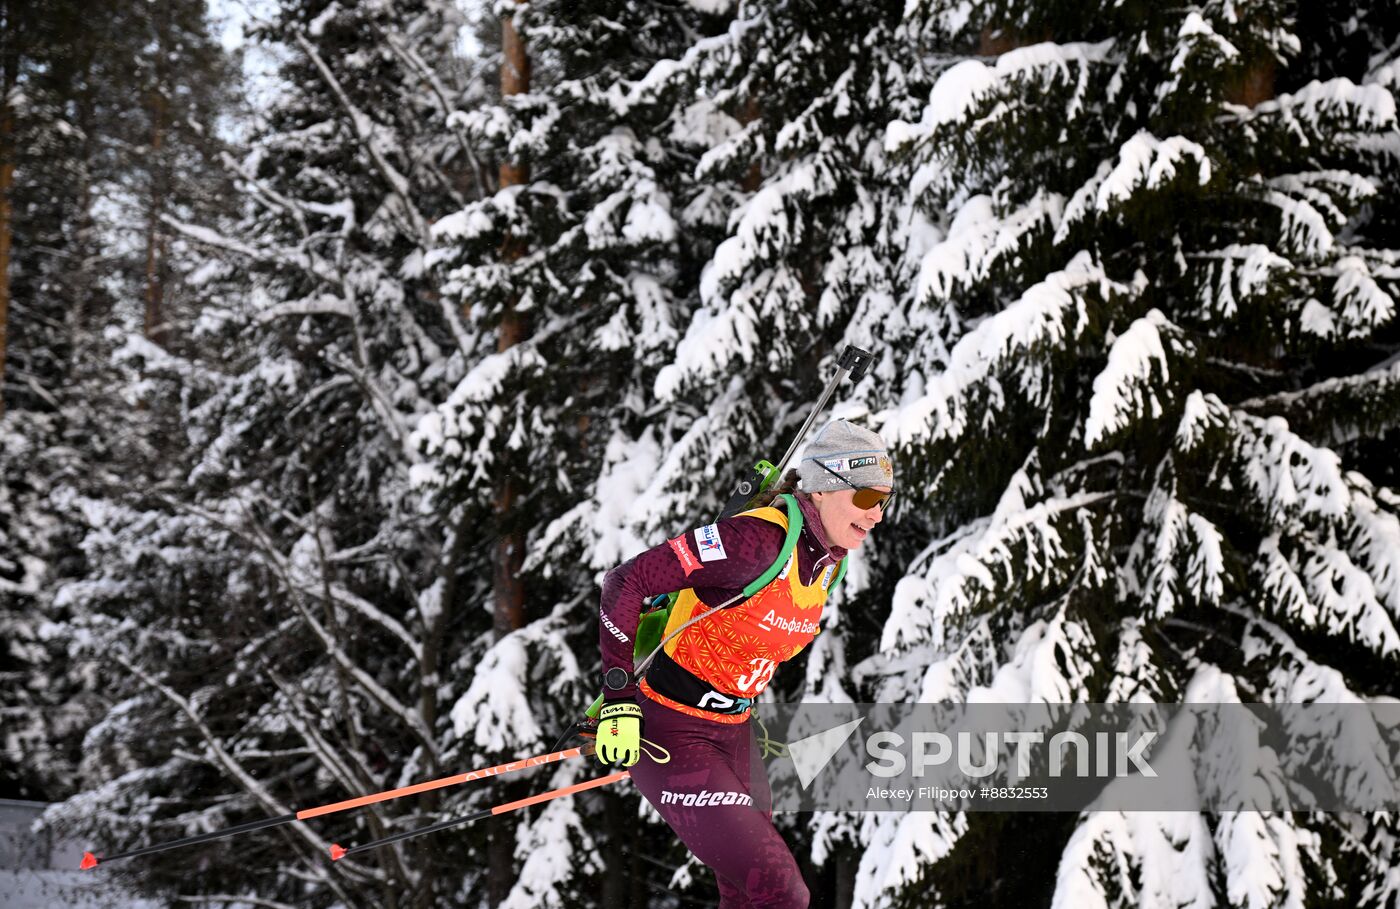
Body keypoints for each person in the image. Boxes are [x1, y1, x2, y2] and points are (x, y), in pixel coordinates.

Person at [594, 420, 896, 908]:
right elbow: (624, 582)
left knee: (745, 895)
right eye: (866, 499)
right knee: (783, 894)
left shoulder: (827, 560)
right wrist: (617, 702)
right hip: (671, 732)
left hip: (734, 733)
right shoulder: (752, 542)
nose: (878, 514)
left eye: (885, 500)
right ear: (822, 488)